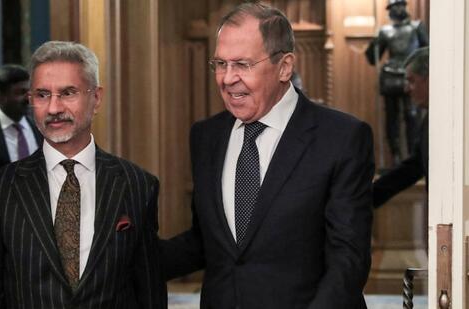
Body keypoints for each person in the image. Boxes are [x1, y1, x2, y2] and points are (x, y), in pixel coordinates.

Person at [161, 3, 375, 308]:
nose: (227, 78)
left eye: (242, 64)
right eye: (220, 64)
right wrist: (120, 259)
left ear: (285, 66)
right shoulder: (206, 136)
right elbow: (208, 241)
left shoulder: (341, 137)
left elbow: (348, 261)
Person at [0, 41, 166, 308]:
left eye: (68, 93)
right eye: (42, 95)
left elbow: (149, 294)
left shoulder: (138, 185)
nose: (54, 108)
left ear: (96, 98)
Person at [365, 0, 428, 164]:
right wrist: (374, 44)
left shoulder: (416, 27)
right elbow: (372, 58)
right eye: (395, 6)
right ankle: (396, 157)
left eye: (400, 5)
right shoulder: (385, 31)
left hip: (411, 75)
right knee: (392, 118)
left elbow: (427, 52)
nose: (398, 9)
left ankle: (414, 156)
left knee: (412, 115)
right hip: (391, 77)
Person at [373, 47, 429, 208]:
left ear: (430, 78)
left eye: (411, 80)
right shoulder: (429, 119)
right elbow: (413, 168)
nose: (406, 89)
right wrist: (365, 199)